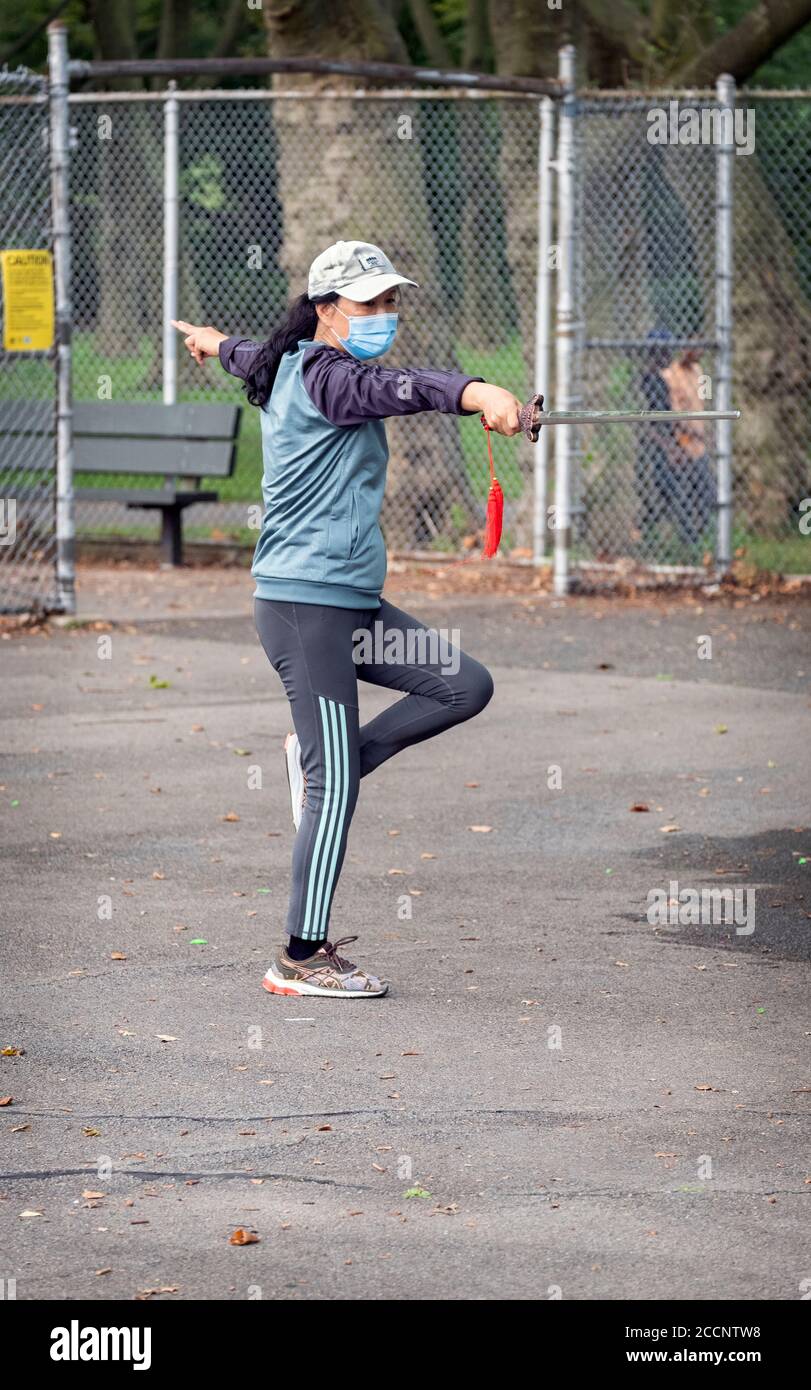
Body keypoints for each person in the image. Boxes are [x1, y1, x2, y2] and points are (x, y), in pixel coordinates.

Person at [173, 240, 523, 999]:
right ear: (326, 309)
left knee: (462, 684)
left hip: (348, 602)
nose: (383, 316)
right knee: (333, 789)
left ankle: (332, 760)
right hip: (307, 605)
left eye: (391, 302)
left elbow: (242, 352)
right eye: (368, 303)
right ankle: (300, 956)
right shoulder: (331, 377)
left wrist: (210, 341)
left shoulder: (282, 357)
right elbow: (406, 388)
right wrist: (478, 392)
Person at [661, 347, 717, 539]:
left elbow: (706, 402)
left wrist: (707, 432)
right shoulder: (670, 375)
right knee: (683, 496)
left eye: (701, 348)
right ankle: (686, 540)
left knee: (708, 493)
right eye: (693, 348)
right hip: (681, 444)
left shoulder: (700, 372)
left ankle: (701, 537)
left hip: (699, 445)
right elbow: (675, 416)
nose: (698, 352)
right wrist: (691, 434)